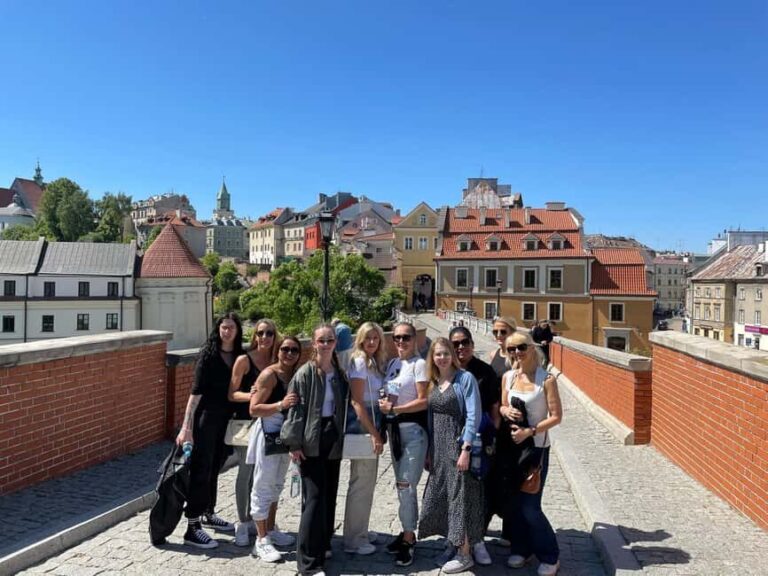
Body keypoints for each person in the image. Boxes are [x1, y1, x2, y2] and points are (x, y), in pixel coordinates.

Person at [281, 324, 349, 576]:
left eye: (330, 340)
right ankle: (308, 563)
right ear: (314, 343)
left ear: (335, 343)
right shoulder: (305, 374)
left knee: (329, 494)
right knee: (314, 498)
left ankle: (323, 545)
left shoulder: (338, 373)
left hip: (332, 438)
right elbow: (295, 411)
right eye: (321, 340)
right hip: (311, 439)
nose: (326, 344)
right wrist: (293, 443)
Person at [176, 314, 244, 549]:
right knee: (201, 469)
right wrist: (186, 427)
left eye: (231, 327)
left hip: (226, 420)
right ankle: (192, 528)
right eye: (224, 327)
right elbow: (195, 394)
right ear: (218, 329)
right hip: (206, 419)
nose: (227, 331)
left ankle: (208, 511)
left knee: (215, 467)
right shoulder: (208, 355)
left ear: (237, 331)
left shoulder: (239, 355)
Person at [499, 331, 563, 576]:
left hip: (536, 447)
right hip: (512, 447)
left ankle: (550, 555)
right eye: (511, 349)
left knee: (530, 506)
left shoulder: (546, 379)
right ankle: (522, 548)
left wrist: (530, 431)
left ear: (531, 347)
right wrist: (506, 411)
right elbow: (502, 405)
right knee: (515, 503)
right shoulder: (508, 377)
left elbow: (556, 417)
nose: (517, 352)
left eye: (521, 347)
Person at [418, 337, 483, 574]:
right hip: (438, 450)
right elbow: (431, 418)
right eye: (438, 354)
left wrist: (466, 449)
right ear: (432, 357)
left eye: (446, 353)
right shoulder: (434, 381)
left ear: (453, 356)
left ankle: (465, 553)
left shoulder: (465, 379)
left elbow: (474, 416)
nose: (442, 358)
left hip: (457, 447)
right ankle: (453, 543)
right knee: (443, 497)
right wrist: (429, 451)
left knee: (460, 498)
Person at [247, 335, 302, 562]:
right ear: (278, 351)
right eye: (285, 349)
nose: (289, 353)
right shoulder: (269, 375)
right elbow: (254, 409)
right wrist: (281, 404)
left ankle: (270, 529)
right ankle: (261, 540)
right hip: (269, 436)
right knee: (263, 485)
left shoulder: (294, 374)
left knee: (277, 484)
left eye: (294, 350)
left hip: (284, 437)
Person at [448, 326, 500, 566]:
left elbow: (494, 408)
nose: (461, 347)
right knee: (456, 493)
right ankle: (458, 540)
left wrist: (492, 437)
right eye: (456, 343)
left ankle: (477, 541)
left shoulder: (485, 372)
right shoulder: (445, 370)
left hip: (478, 440)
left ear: (472, 344)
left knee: (478, 492)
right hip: (451, 440)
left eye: (465, 342)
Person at [378, 321, 429, 567]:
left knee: (406, 485)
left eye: (406, 337)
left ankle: (409, 538)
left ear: (415, 339)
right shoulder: (393, 364)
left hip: (413, 432)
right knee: (401, 487)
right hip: (395, 432)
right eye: (397, 337)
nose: (400, 341)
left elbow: (424, 400)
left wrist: (395, 409)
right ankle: (407, 531)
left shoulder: (420, 365)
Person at [227, 318, 279, 546]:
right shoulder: (244, 360)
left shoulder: (277, 360)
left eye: (269, 333)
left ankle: (262, 520)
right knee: (246, 472)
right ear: (254, 335)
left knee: (265, 475)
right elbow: (232, 393)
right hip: (245, 423)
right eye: (260, 333)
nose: (264, 337)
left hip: (269, 423)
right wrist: (254, 396)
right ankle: (243, 521)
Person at [342, 322, 387, 555]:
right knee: (361, 483)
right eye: (367, 338)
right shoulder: (360, 362)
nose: (371, 342)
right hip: (364, 426)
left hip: (371, 422)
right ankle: (354, 540)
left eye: (375, 338)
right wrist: (375, 434)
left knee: (366, 483)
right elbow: (356, 402)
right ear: (360, 339)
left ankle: (360, 530)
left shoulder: (372, 362)